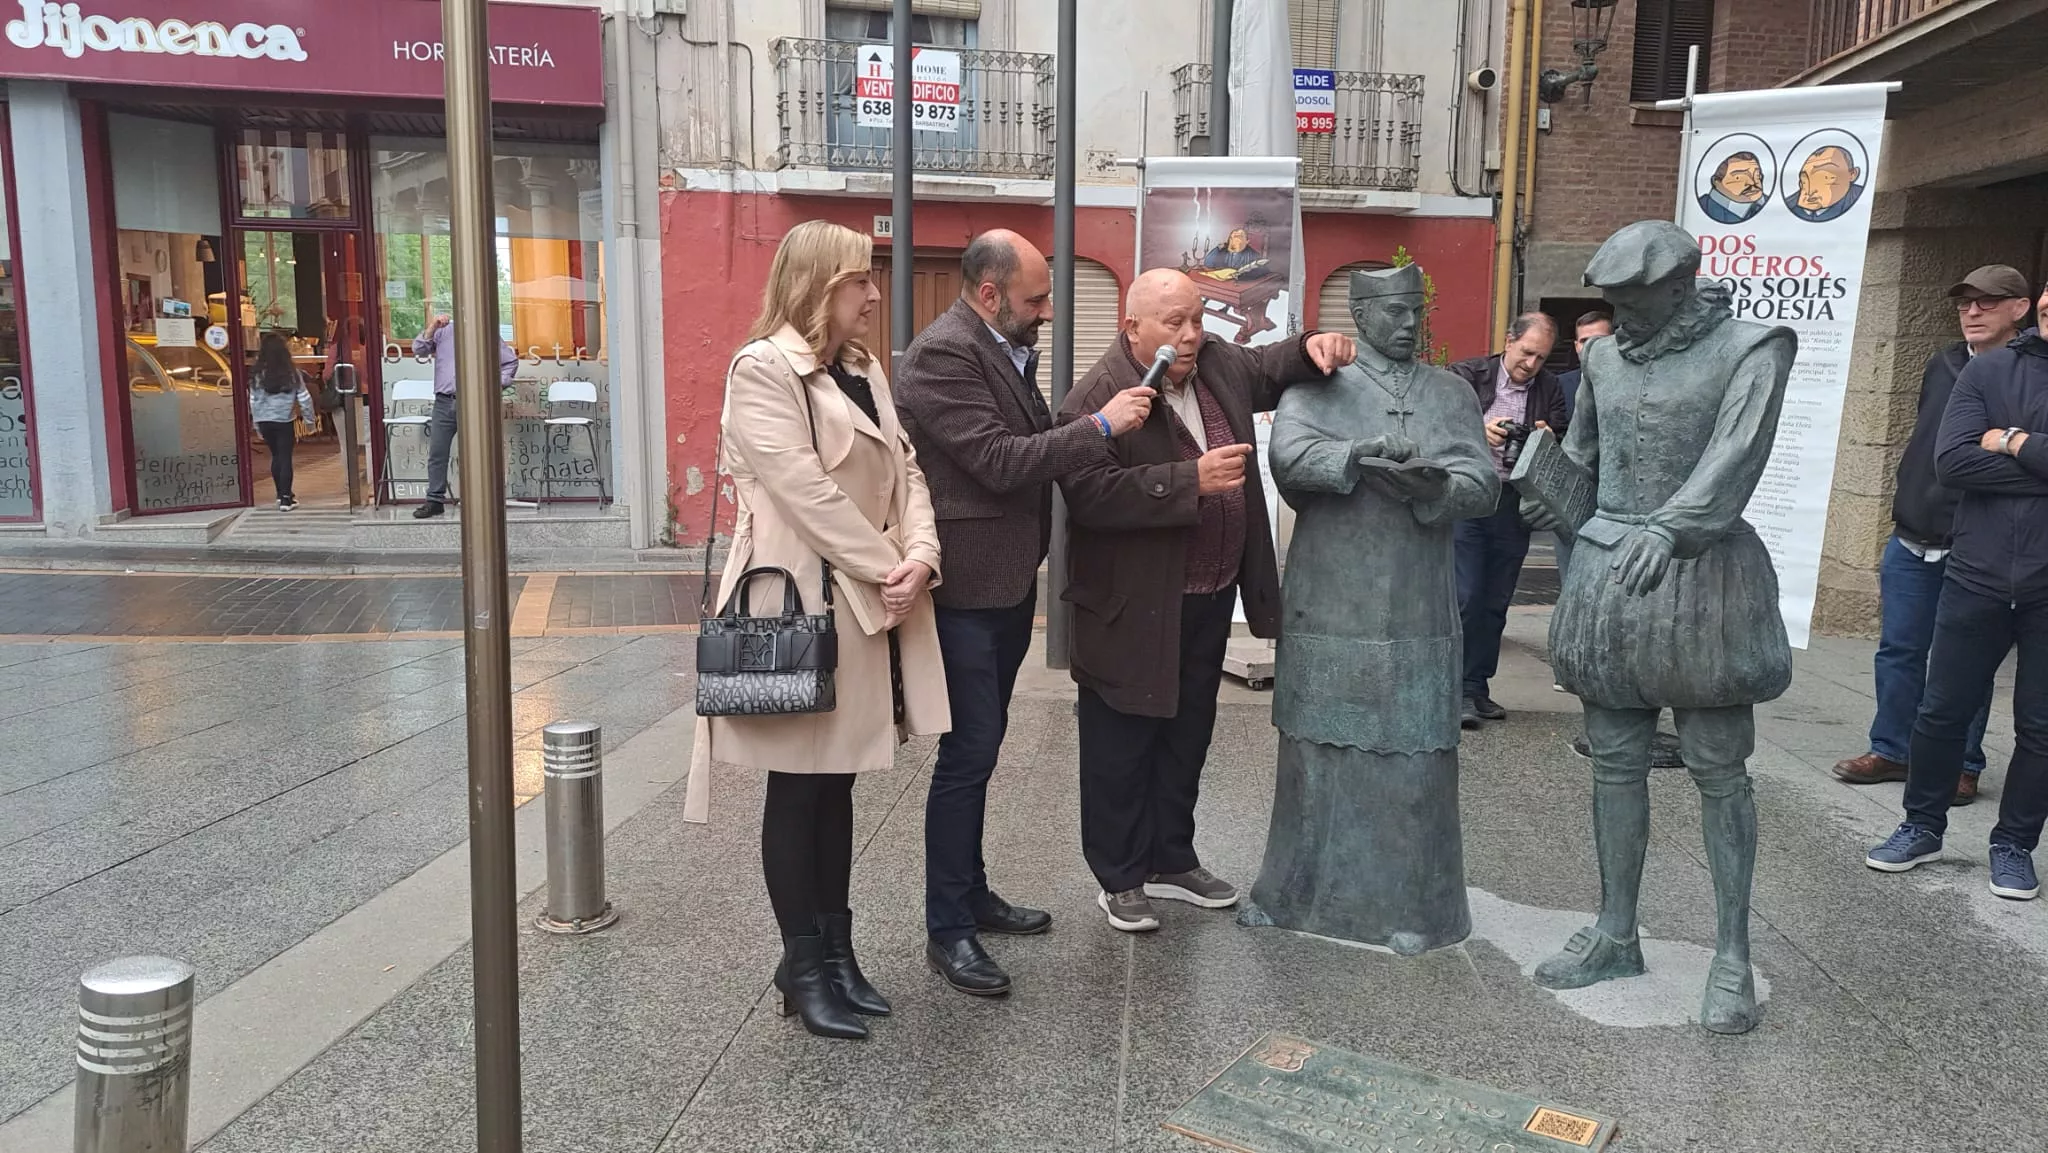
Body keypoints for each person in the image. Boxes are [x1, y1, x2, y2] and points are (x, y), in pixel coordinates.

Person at [1527, 220, 1797, 1035]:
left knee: (1719, 765)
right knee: (1614, 760)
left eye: (1635, 301)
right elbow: (1586, 455)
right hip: (1611, 574)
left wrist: (1675, 526)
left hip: (1705, 577)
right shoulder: (1603, 358)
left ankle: (1732, 955)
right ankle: (1616, 932)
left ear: (1681, 286)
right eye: (1614, 303)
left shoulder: (1753, 346)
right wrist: (1547, 486)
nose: (1622, 317)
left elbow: (1736, 454)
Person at [690, 220, 950, 1038]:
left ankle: (836, 953)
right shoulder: (762, 369)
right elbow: (805, 491)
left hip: (868, 596)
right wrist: (891, 566)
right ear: (815, 284)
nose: (873, 295)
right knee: (799, 784)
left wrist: (922, 555)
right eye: (858, 280)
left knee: (837, 780)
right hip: (800, 603)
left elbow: (907, 469)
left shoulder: (864, 368)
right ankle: (802, 963)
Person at [893, 230, 1153, 997]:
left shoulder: (1003, 345)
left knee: (983, 749)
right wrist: (1101, 426)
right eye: (1035, 299)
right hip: (966, 593)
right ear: (988, 293)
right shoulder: (942, 354)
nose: (1047, 311)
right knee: (967, 755)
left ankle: (972, 893)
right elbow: (1001, 460)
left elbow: (1032, 438)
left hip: (1004, 585)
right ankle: (948, 928)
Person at [1057, 268, 1355, 933]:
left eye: (1196, 318)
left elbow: (1269, 365)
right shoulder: (1097, 395)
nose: (1192, 334)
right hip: (1131, 607)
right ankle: (1120, 876)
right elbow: (1090, 497)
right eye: (1175, 322)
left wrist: (1313, 344)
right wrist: (1188, 480)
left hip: (1209, 595)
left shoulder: (1217, 362)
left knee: (1187, 732)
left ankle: (1172, 857)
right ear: (1133, 326)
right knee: (1121, 742)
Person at [1243, 261, 1497, 952]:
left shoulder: (1450, 392)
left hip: (1414, 596)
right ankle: (1288, 894)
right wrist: (1358, 456)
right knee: (1313, 748)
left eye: (1417, 311)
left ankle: (1414, 907)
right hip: (1328, 593)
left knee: (1413, 753)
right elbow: (1289, 460)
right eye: (1395, 312)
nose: (1410, 323)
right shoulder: (1316, 385)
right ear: (1360, 315)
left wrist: (1435, 488)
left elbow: (1483, 481)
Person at [1866, 280, 2048, 904]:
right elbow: (1954, 463)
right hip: (1978, 573)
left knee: (2041, 726)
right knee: (1942, 711)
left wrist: (2013, 441)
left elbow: (1983, 458)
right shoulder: (1989, 370)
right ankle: (1921, 825)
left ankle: (2014, 846)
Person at [1833, 267, 2022, 803]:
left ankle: (1960, 764)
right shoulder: (1944, 363)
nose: (1972, 311)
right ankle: (1892, 749)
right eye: (1964, 303)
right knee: (1899, 651)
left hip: (1976, 545)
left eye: (1987, 302)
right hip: (1912, 536)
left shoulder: (2030, 374)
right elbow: (1928, 446)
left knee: (1966, 663)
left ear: (2020, 307)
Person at [1449, 313, 1567, 728]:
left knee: (1496, 601)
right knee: (1465, 595)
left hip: (1513, 503)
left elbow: (1563, 437)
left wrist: (1548, 439)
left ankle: (1476, 687)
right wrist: (1478, 428)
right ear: (1508, 341)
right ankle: (1453, 689)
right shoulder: (1467, 375)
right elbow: (1437, 422)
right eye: (1527, 352)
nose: (1531, 364)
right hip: (1468, 496)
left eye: (1541, 357)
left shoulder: (1549, 387)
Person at [411, 312, 519, 519]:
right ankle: (435, 501)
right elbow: (419, 349)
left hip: (475, 402)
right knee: (438, 453)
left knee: (479, 453)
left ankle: (482, 499)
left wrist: (495, 384)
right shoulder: (443, 331)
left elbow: (510, 362)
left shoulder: (486, 333)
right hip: (444, 401)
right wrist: (432, 326)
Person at [248, 332, 316, 512]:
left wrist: (256, 424)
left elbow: (253, 400)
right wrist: (310, 421)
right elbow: (304, 398)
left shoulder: (257, 374)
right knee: (285, 457)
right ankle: (286, 498)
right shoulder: (292, 373)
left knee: (275, 456)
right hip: (284, 420)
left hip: (264, 420)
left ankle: (280, 494)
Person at [1787, 146, 1866, 224]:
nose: (1810, 191)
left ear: (1852, 174)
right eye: (1804, 182)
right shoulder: (1790, 205)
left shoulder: (1863, 201)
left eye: (1826, 177)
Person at [1699, 152, 1768, 225]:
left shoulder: (1769, 203)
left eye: (1757, 176)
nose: (1752, 182)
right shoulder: (1702, 207)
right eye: (1738, 178)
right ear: (1717, 182)